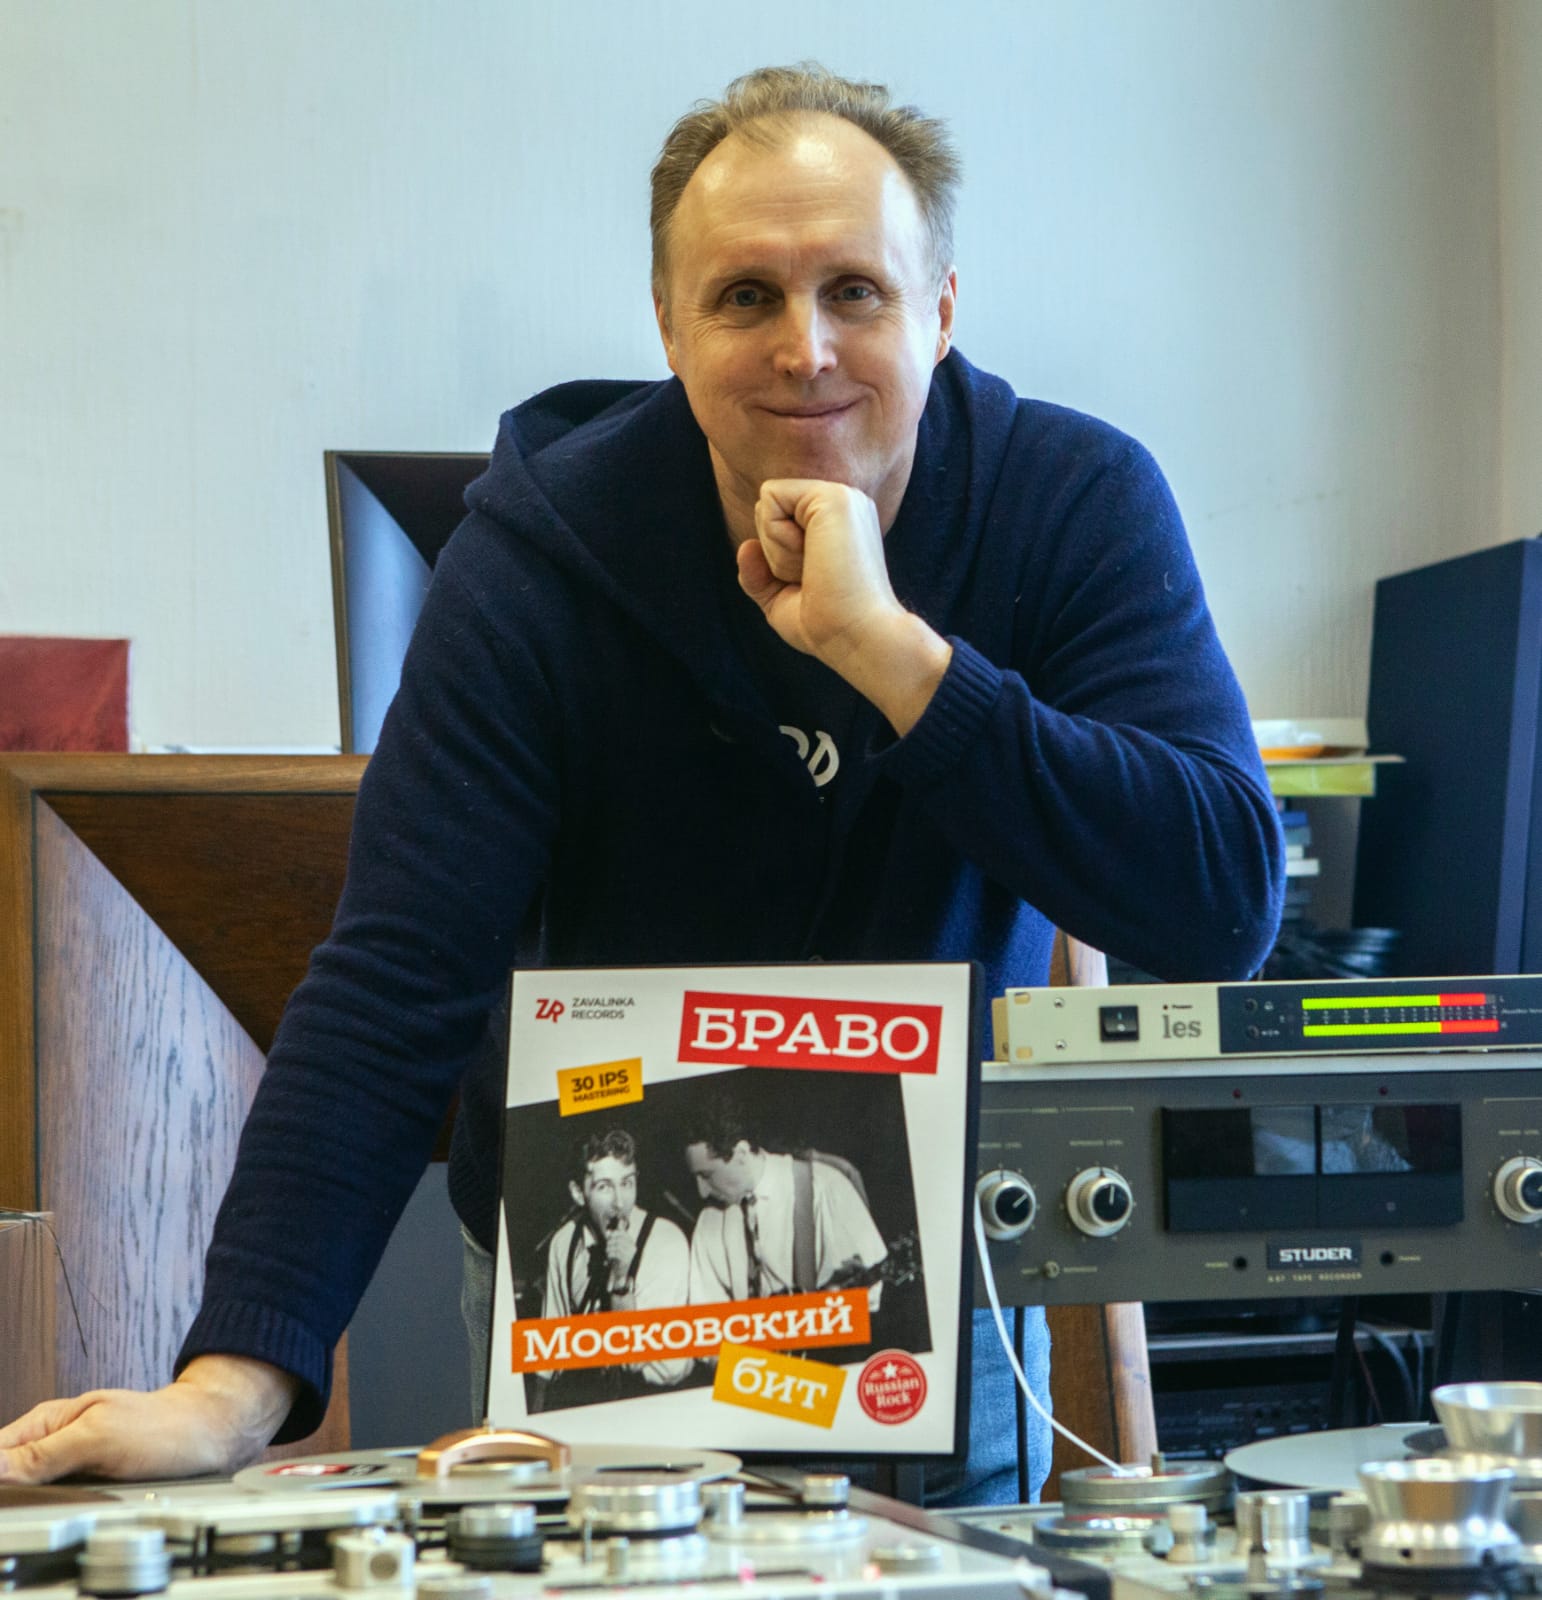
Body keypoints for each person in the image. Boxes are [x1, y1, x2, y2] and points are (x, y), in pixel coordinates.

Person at [0, 63, 1283, 1503]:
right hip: (598, 1282)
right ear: (669, 325)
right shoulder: (537, 554)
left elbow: (1220, 903)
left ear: (939, 312)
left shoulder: (1075, 501)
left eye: (855, 291)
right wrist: (231, 1385)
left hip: (911, 1262)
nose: (804, 347)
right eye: (745, 296)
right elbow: (396, 979)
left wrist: (897, 659)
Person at [533, 1127, 690, 1405]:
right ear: (578, 1193)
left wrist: (621, 1280)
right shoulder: (564, 1242)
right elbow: (551, 1350)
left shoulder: (665, 1241)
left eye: (627, 1183)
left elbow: (639, 1361)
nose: (620, 1202)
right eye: (604, 1187)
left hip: (654, 1401)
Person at [682, 1103, 887, 1313]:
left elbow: (869, 1300)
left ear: (741, 1153)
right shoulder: (709, 1220)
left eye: (706, 1175)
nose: (702, 1192)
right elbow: (705, 1314)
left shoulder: (824, 1188)